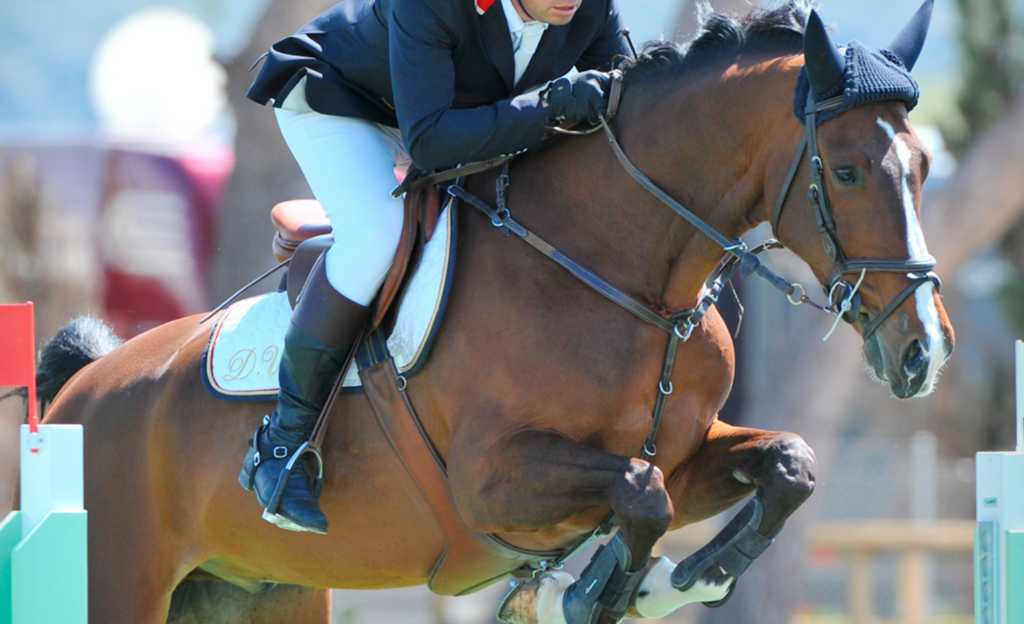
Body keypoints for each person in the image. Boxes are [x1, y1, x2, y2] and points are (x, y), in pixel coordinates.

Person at [239, 0, 630, 535]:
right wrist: (549, 108)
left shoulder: (589, 8)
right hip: (344, 101)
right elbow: (432, 141)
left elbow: (630, 97)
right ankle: (282, 443)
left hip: (447, 114)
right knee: (378, 234)